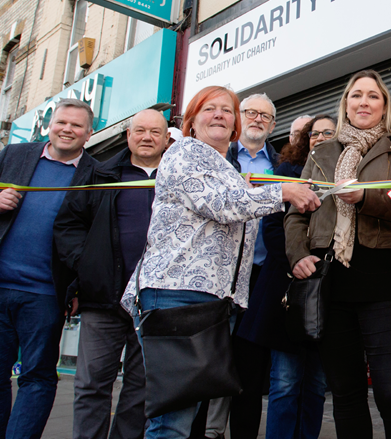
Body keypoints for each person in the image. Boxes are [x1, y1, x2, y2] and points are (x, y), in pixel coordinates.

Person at [121, 85, 320, 439]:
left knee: (185, 411)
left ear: (234, 127)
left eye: (226, 111)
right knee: (172, 421)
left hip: (211, 301)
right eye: (209, 108)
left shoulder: (222, 167)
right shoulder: (185, 153)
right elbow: (222, 204)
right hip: (177, 294)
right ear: (192, 122)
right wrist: (283, 191)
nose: (219, 115)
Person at [284, 70, 391, 439]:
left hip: (385, 284)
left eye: (373, 96)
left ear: (384, 105)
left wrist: (366, 198)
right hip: (331, 286)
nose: (363, 102)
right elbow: (297, 210)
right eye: (356, 95)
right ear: (345, 103)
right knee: (345, 394)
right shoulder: (323, 151)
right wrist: (297, 254)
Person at [0, 98, 100, 438]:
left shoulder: (97, 173)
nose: (67, 129)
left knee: (37, 378)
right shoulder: (15, 155)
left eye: (76, 125)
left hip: (45, 294)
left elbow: (95, 238)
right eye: (62, 122)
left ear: (88, 133)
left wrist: (78, 287)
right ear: (49, 125)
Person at [54, 107, 171, 439]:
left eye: (155, 132)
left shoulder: (176, 176)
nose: (147, 137)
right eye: (140, 131)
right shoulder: (100, 174)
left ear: (166, 138)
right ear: (128, 136)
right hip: (104, 297)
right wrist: (89, 263)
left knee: (141, 387)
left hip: (153, 301)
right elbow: (68, 225)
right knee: (91, 384)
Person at [238, 114, 337, 439]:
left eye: (328, 133)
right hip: (286, 288)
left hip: (327, 289)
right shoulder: (285, 174)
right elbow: (270, 228)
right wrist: (297, 260)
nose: (320, 138)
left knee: (316, 384)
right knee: (285, 381)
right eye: (314, 134)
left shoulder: (347, 175)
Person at [218, 92, 281, 439]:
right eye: (251, 112)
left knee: (250, 373)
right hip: (219, 276)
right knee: (207, 366)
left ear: (273, 125)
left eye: (265, 116)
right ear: (238, 117)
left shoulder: (280, 166)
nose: (257, 119)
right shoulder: (219, 157)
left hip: (259, 277)